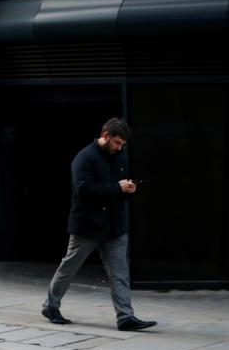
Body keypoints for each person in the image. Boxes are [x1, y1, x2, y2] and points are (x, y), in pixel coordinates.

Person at [42, 118, 156, 331]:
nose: (120, 147)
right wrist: (117, 188)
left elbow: (118, 189)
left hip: (115, 226)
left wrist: (128, 190)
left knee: (120, 273)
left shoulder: (120, 157)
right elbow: (83, 190)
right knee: (69, 267)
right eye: (117, 142)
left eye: (122, 144)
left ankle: (125, 317)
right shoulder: (84, 158)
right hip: (88, 225)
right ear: (105, 135)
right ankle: (50, 306)